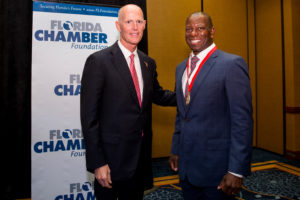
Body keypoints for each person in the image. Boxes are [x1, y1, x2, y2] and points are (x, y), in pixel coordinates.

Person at [80, 4, 176, 200]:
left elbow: (157, 95)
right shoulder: (99, 62)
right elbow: (89, 117)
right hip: (110, 162)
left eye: (139, 21)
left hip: (139, 160)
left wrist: (189, 96)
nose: (135, 27)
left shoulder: (148, 62)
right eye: (129, 21)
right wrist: (98, 163)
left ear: (145, 25)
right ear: (118, 25)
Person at [169, 12, 253, 200]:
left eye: (200, 28)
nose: (193, 34)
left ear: (212, 31)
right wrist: (176, 149)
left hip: (218, 171)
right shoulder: (181, 68)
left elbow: (242, 122)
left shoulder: (231, 64)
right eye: (189, 29)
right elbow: (182, 114)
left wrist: (236, 170)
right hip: (187, 169)